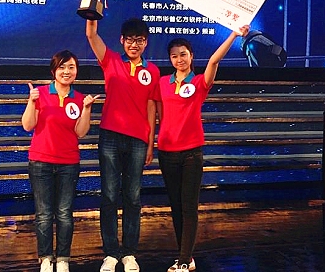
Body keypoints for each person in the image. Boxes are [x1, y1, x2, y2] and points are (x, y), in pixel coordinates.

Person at [156, 26, 249, 272]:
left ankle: (184, 260)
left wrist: (233, 35)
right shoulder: (162, 83)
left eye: (183, 54)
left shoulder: (199, 82)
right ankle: (186, 257)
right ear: (170, 59)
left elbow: (214, 61)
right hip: (166, 151)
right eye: (174, 56)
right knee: (176, 207)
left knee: (189, 207)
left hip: (191, 152)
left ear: (191, 56)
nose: (179, 59)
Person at [85, 18, 161, 272]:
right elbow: (91, 35)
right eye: (130, 39)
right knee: (109, 195)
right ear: (122, 40)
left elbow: (151, 107)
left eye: (139, 40)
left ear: (146, 43)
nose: (134, 44)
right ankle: (110, 253)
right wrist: (92, 9)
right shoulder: (111, 61)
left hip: (138, 139)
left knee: (133, 196)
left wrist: (150, 142)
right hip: (110, 136)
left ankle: (129, 253)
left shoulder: (153, 71)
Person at [22, 50, 99, 272]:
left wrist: (86, 110)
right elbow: (27, 125)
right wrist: (31, 102)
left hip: (68, 163)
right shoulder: (40, 93)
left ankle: (63, 258)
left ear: (76, 71)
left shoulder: (80, 98)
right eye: (62, 67)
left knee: (65, 213)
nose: (67, 71)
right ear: (54, 71)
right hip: (41, 161)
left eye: (71, 67)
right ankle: (46, 258)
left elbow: (81, 132)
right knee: (44, 213)